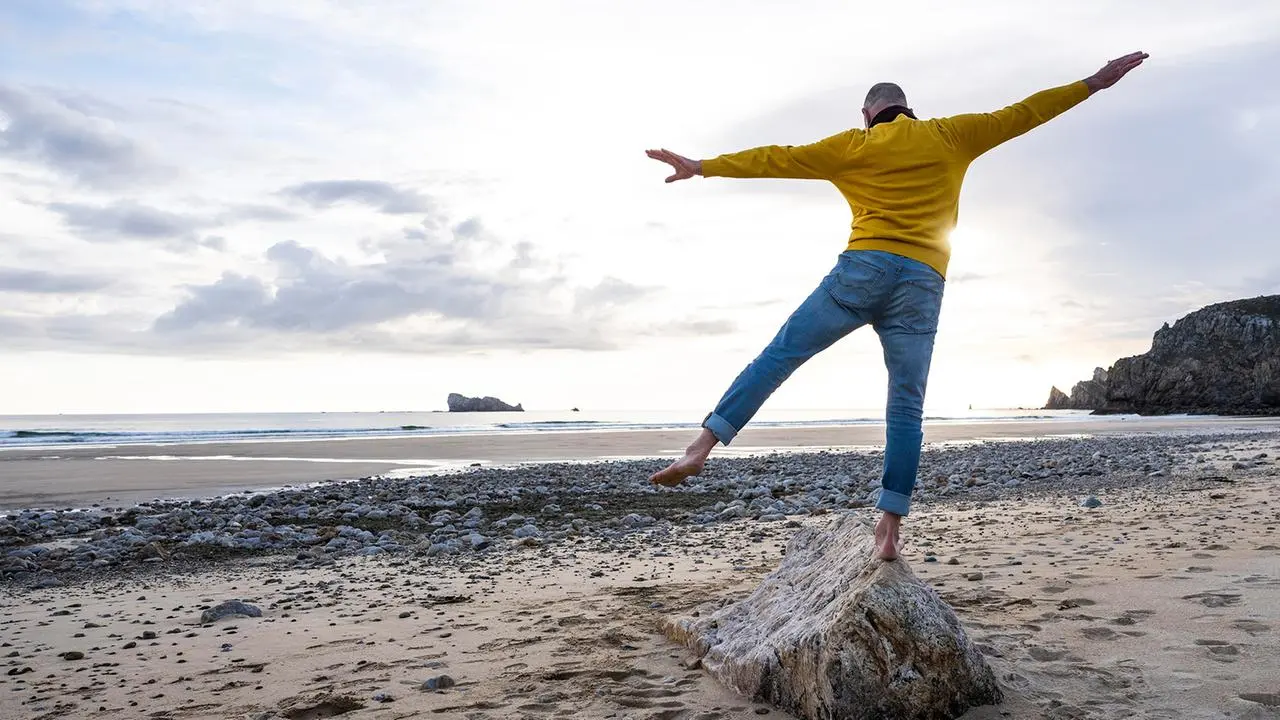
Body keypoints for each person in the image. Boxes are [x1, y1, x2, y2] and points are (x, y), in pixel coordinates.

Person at [645, 52, 1148, 561]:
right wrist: (1094, 83)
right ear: (908, 109)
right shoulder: (951, 135)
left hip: (862, 271)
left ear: (867, 115)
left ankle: (701, 448)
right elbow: (1024, 112)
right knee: (906, 406)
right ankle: (889, 525)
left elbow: (778, 157)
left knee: (780, 356)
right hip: (922, 283)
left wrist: (702, 167)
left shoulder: (852, 146)